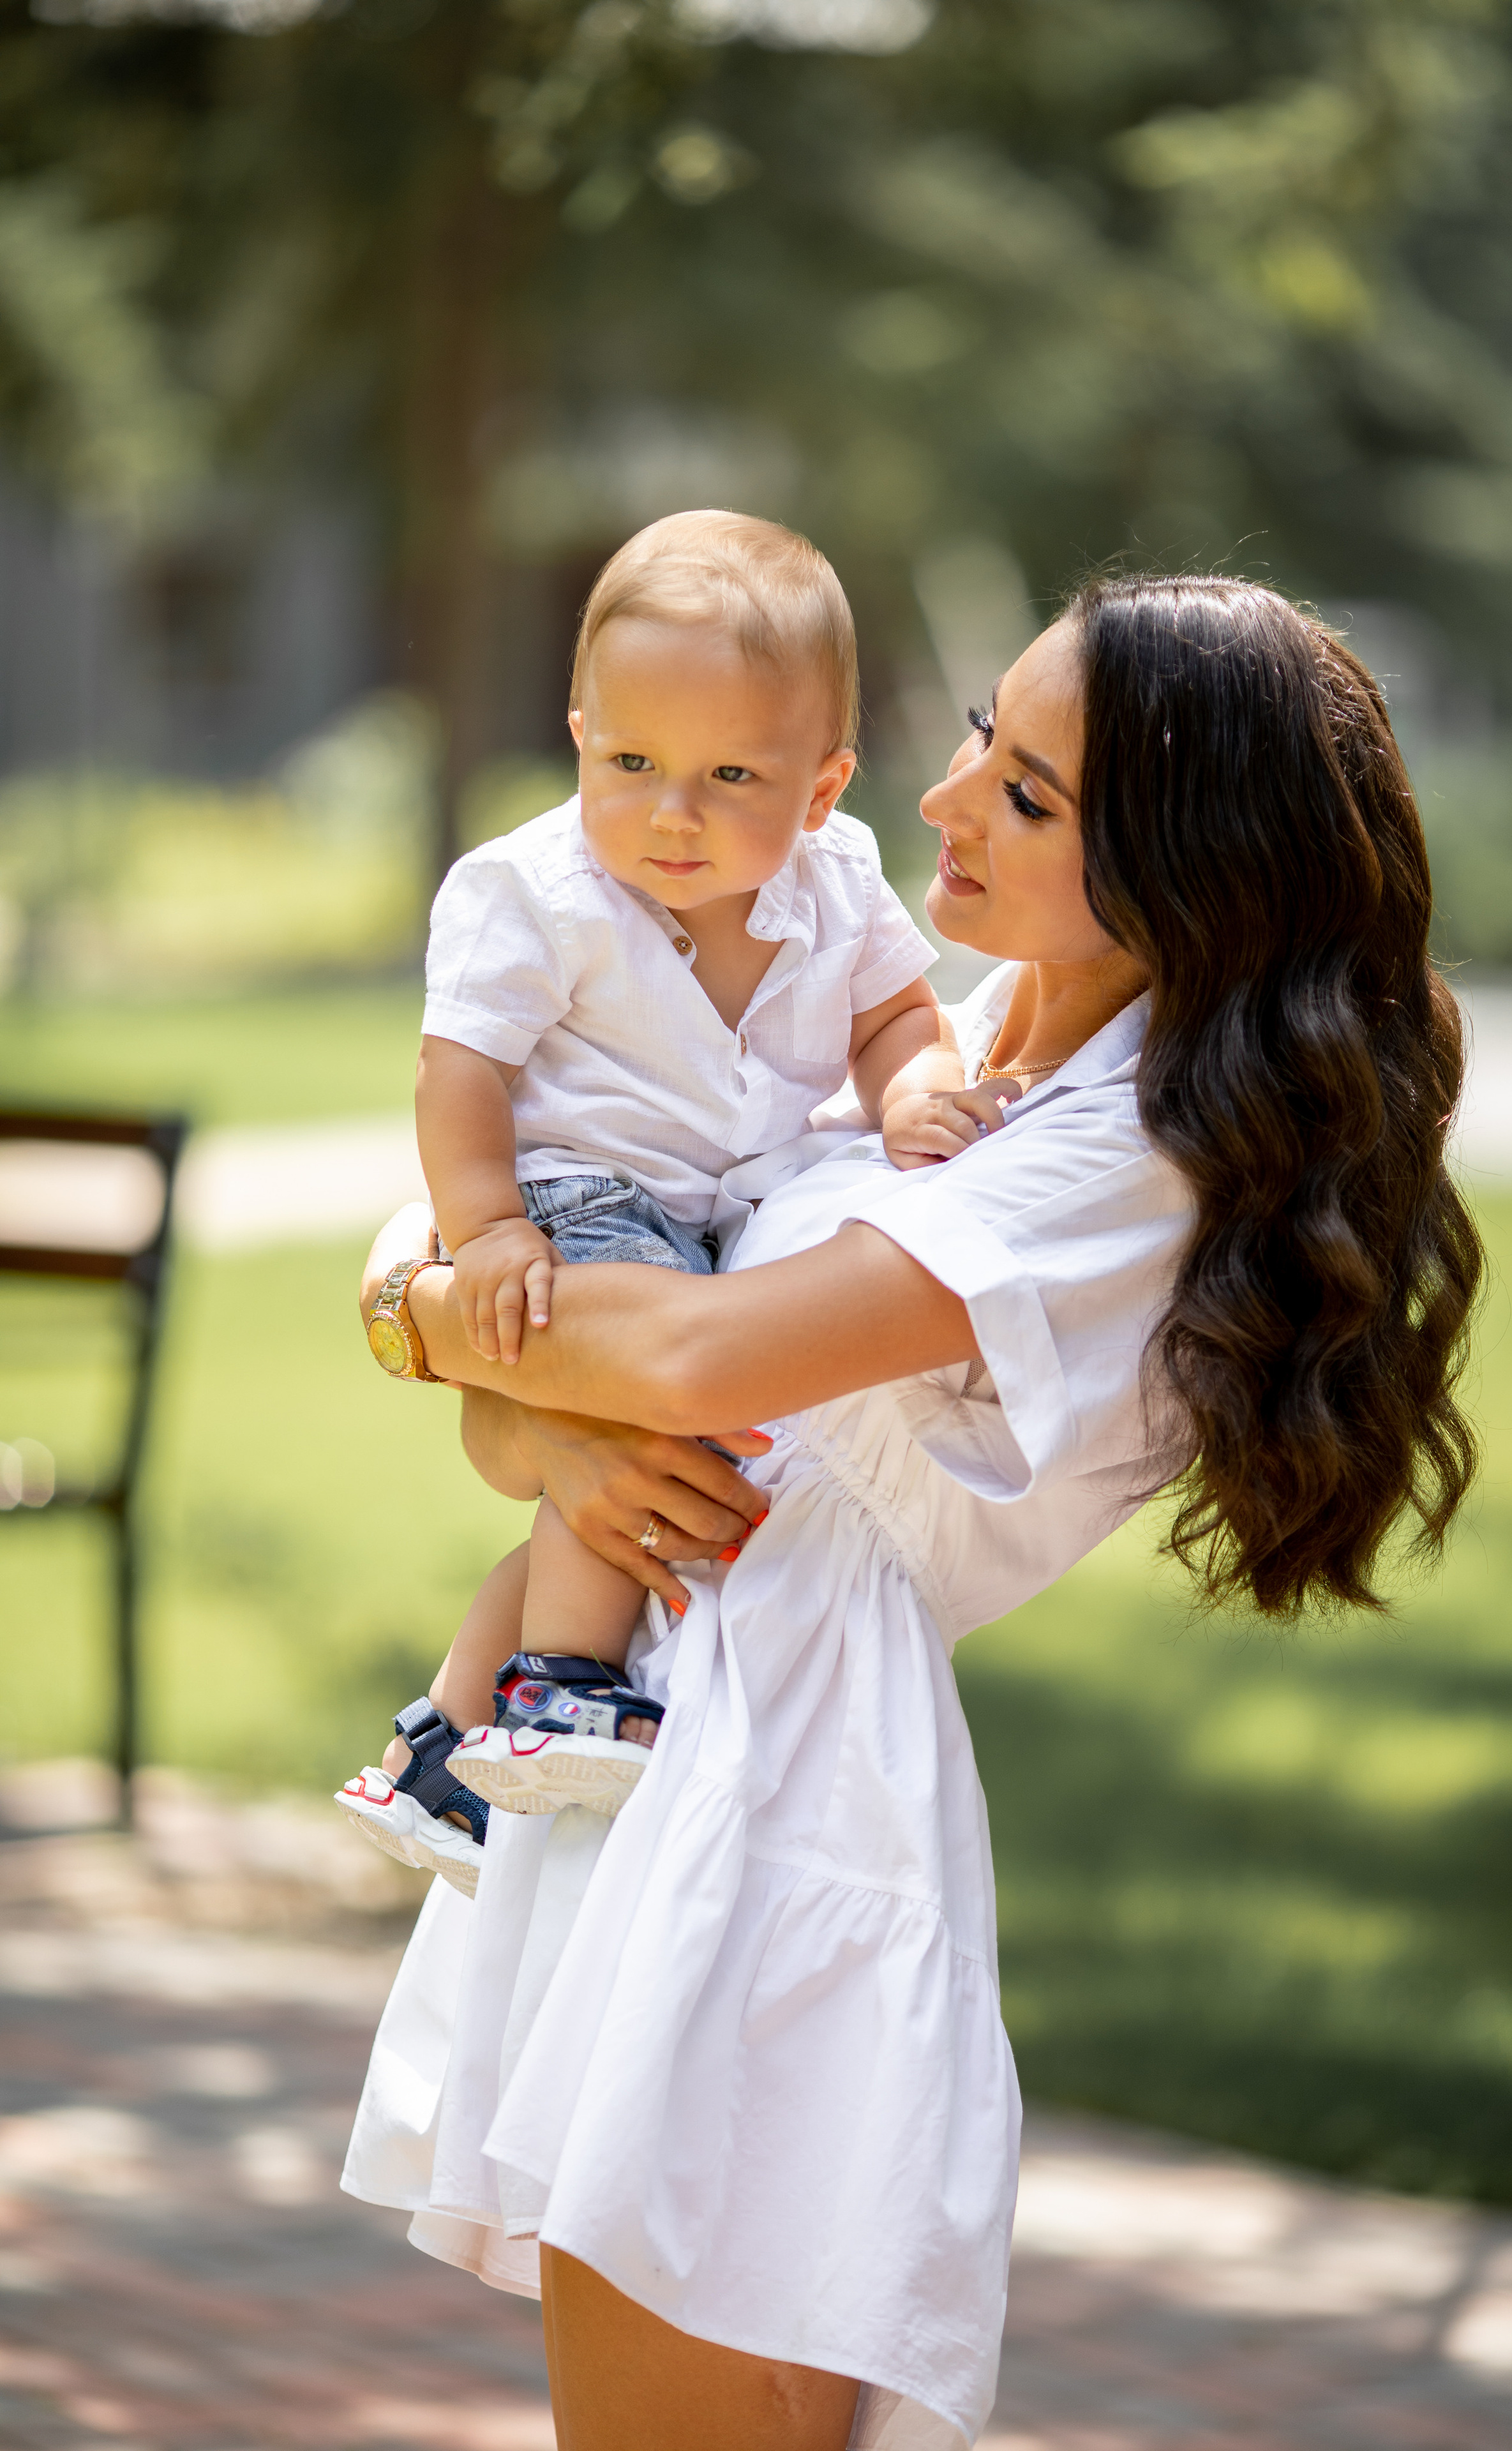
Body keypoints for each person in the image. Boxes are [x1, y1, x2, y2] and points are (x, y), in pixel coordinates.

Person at [343, 575, 1483, 2451]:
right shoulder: (957, 1045)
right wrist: (541, 1430)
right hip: (654, 1729)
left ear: (1189, 878)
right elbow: (565, 1356)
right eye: (979, 736)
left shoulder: (1134, 1156)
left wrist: (453, 1317)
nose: (944, 805)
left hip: (781, 1802)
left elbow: (701, 1360)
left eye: (1030, 796)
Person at [338, 511, 982, 1891]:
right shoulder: (532, 892)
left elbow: (894, 1012)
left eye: (727, 774)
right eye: (628, 762)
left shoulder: (842, 879)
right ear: (579, 732)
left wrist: (912, 1084)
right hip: (572, 1193)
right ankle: (562, 1688)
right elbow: (458, 1078)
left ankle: (440, 1748)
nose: (668, 811)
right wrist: (492, 1223)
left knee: (638, 1472)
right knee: (649, 1406)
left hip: (726, 1205)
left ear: (819, 790)